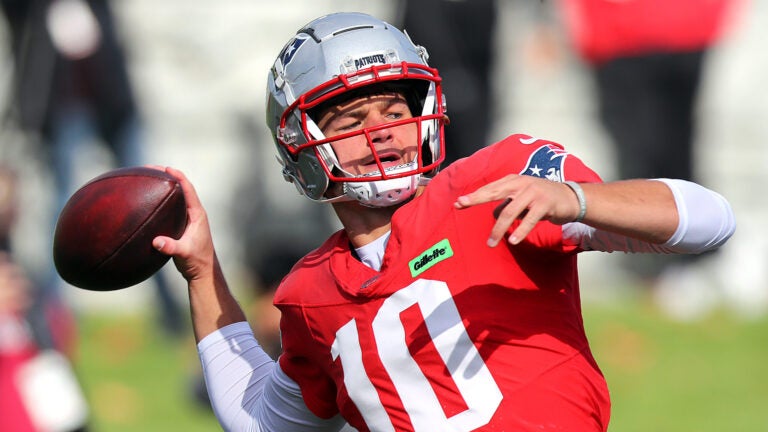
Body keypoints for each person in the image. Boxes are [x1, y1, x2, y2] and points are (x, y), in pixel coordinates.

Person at [151, 12, 735, 431]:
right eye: (352, 117)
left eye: (396, 110)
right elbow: (261, 418)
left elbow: (709, 220)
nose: (382, 130)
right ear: (303, 145)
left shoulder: (494, 184)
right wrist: (203, 273)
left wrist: (578, 200)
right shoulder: (311, 293)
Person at [553, 0, 742, 282]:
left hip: (647, 28)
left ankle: (668, 264)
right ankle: (668, 264)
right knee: (659, 147)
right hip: (649, 28)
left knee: (654, 149)